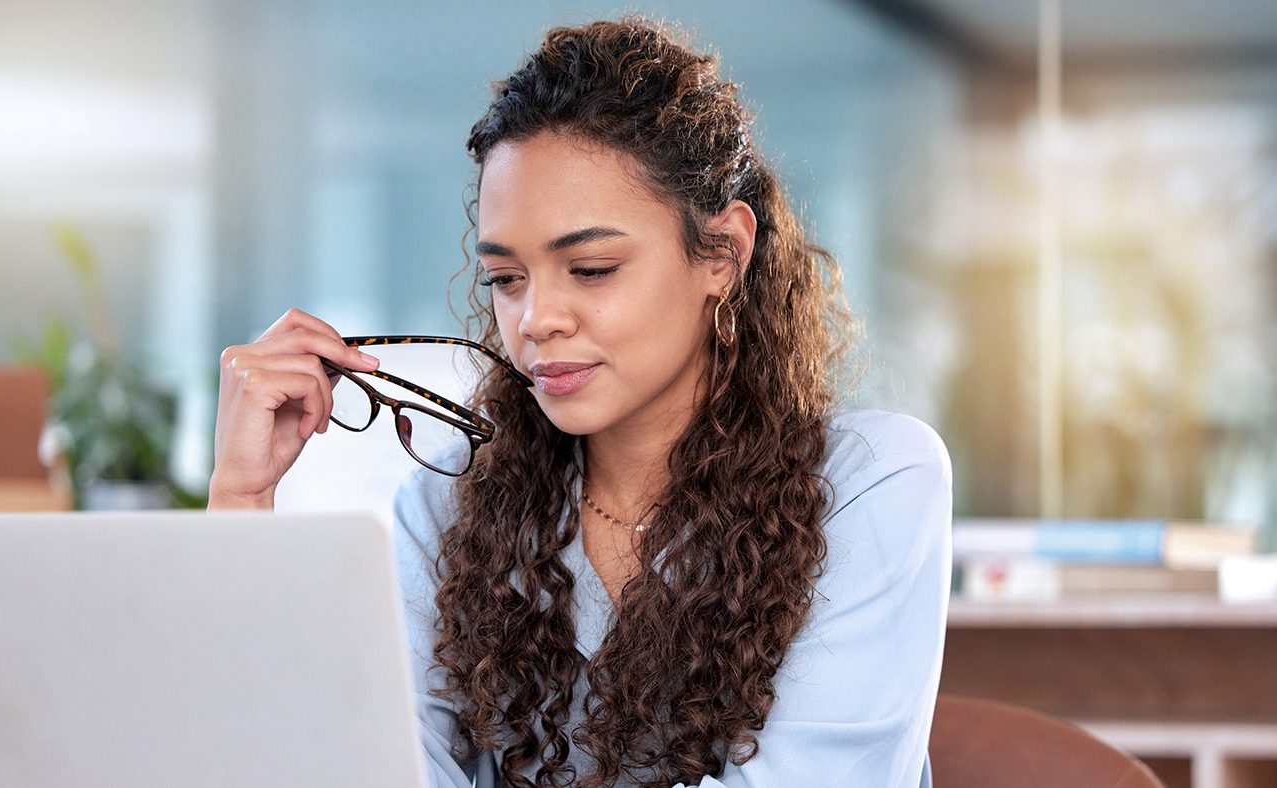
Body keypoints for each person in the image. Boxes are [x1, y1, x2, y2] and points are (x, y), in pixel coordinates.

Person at [209, 16, 951, 788]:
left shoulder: (869, 482)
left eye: (591, 268)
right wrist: (241, 500)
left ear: (724, 254)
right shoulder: (451, 501)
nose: (535, 319)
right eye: (506, 278)